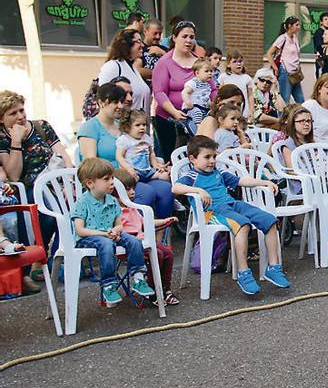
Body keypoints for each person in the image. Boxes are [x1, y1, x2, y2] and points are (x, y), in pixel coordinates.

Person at [173, 136, 291, 295]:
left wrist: (264, 182)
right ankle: (243, 272)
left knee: (269, 221)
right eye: (207, 157)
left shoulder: (218, 172)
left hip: (232, 205)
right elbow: (175, 188)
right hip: (212, 211)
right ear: (192, 159)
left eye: (214, 156)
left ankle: (273, 267)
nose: (212, 161)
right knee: (243, 226)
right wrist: (198, 190)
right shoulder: (191, 176)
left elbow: (241, 180)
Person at [0, 91, 73, 281]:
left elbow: (64, 156)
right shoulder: (2, 138)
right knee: (50, 214)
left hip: (56, 183)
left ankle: (60, 259)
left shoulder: (41, 126)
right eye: (13, 113)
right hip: (30, 189)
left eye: (22, 110)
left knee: (71, 212)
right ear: (1, 119)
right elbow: (14, 175)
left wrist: (69, 183)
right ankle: (43, 262)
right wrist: (16, 141)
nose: (20, 116)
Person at [78, 84, 174, 220]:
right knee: (146, 193)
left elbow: (141, 148)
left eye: (121, 102)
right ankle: (135, 232)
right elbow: (91, 164)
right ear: (100, 103)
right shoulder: (90, 127)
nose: (120, 106)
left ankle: (158, 237)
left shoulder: (124, 125)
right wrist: (119, 174)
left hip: (137, 174)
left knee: (166, 190)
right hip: (111, 180)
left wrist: (156, 164)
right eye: (115, 102)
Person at [72, 157, 155, 306]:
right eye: (106, 179)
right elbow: (80, 229)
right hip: (88, 237)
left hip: (109, 234)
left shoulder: (112, 200)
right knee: (106, 244)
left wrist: (115, 230)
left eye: (112, 178)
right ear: (90, 183)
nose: (112, 182)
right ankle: (108, 285)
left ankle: (138, 277)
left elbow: (119, 225)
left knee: (134, 241)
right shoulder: (82, 203)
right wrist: (103, 234)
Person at [113, 169, 179, 306]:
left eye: (133, 188)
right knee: (158, 254)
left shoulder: (132, 208)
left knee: (168, 253)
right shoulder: (114, 211)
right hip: (130, 246)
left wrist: (166, 220)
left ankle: (165, 288)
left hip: (144, 242)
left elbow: (146, 222)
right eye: (127, 189)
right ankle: (152, 289)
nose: (133, 192)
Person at [153, 20, 215, 162]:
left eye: (191, 37)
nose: (188, 41)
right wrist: (174, 112)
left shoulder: (200, 62)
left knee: (199, 157)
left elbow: (212, 88)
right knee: (173, 159)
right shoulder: (164, 62)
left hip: (198, 118)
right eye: (184, 36)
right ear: (174, 38)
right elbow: (159, 92)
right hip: (169, 120)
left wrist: (214, 105)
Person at [98, 28, 152, 114]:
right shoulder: (112, 67)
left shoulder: (133, 69)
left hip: (139, 125)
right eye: (138, 41)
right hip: (122, 126)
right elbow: (104, 98)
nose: (142, 45)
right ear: (127, 44)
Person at [115, 109, 169, 182]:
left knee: (165, 175)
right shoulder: (125, 140)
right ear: (127, 127)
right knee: (130, 180)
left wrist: (155, 165)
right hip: (134, 172)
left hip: (148, 171)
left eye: (144, 124)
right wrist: (128, 168)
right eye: (138, 125)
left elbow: (151, 153)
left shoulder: (146, 138)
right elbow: (119, 156)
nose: (142, 127)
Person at [267, 16, 304, 104]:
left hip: (295, 73)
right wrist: (275, 68)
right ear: (290, 26)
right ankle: (282, 118)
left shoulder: (295, 38)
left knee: (301, 99)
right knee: (285, 100)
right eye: (296, 25)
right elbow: (269, 53)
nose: (298, 27)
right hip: (285, 72)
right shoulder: (282, 38)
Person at [181, 58, 215, 135]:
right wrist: (188, 103)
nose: (210, 73)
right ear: (197, 73)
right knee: (197, 113)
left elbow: (206, 97)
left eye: (211, 71)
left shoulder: (207, 85)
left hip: (203, 108)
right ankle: (198, 129)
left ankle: (206, 129)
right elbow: (184, 92)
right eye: (206, 71)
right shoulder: (194, 83)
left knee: (210, 116)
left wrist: (210, 104)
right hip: (192, 107)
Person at [218, 50, 255, 121]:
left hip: (242, 109)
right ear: (228, 64)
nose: (238, 64)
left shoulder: (247, 78)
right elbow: (220, 93)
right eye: (234, 61)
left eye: (240, 61)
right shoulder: (223, 77)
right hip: (227, 108)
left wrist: (251, 110)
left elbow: (250, 95)